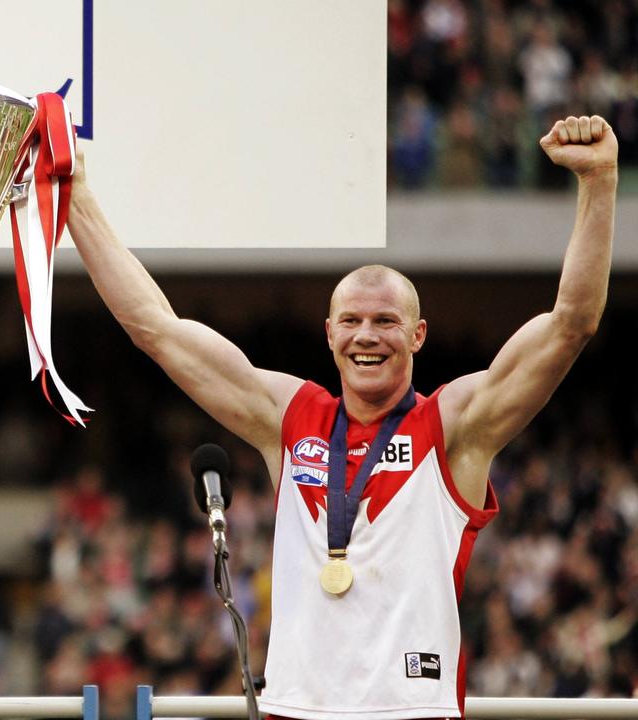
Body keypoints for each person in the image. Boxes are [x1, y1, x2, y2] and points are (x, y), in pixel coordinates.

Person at [67, 115, 618, 719]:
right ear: (329, 333)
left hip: (412, 711)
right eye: (351, 321)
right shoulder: (290, 416)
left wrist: (599, 184)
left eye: (385, 321)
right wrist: (77, 199)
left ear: (418, 335)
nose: (367, 336)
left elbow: (571, 325)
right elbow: (159, 331)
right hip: (295, 711)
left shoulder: (454, 425)